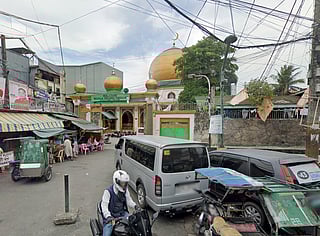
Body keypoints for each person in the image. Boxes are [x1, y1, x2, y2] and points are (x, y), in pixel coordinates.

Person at [101, 170, 139, 236]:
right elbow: (104, 206)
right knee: (107, 234)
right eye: (122, 183)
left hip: (122, 214)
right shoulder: (108, 192)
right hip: (111, 218)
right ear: (116, 181)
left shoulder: (125, 190)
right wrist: (108, 216)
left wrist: (135, 206)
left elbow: (129, 200)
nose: (124, 185)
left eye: (125, 183)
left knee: (134, 227)